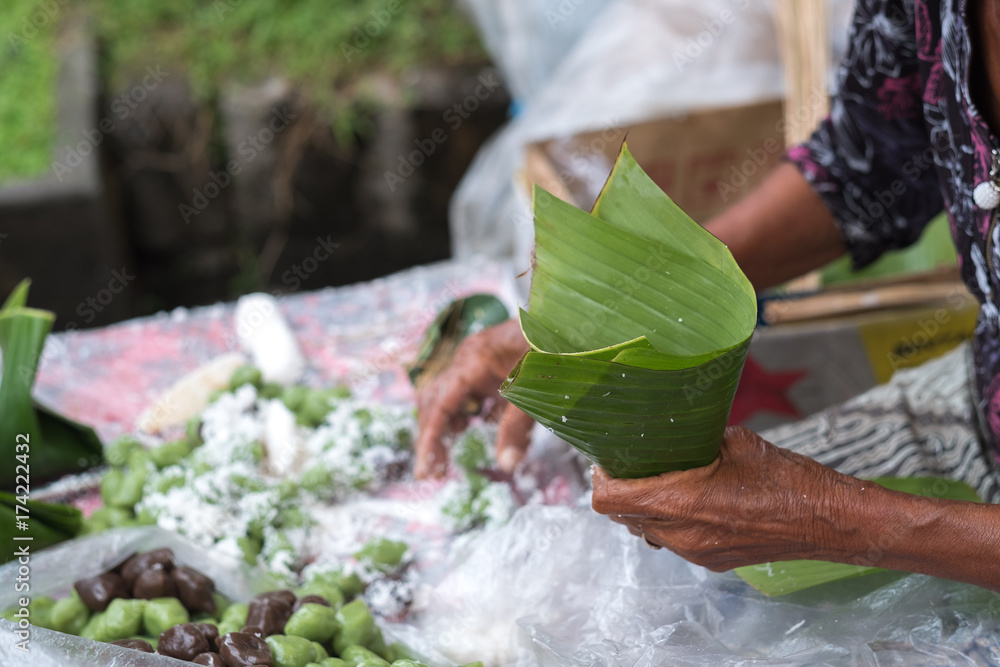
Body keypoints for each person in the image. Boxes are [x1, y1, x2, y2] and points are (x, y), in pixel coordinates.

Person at [415, 0, 1000, 592]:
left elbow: (829, 520)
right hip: (983, 394)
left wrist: (835, 522)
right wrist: (603, 312)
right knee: (623, 581)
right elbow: (868, 166)